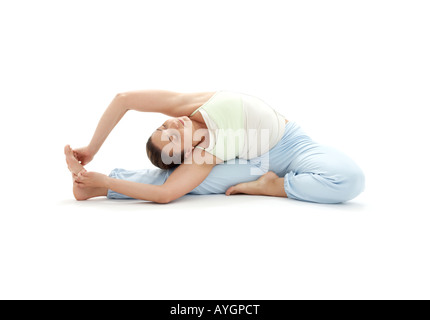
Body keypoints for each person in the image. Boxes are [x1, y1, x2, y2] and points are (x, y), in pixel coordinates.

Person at [65, 89, 365, 204]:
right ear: (189, 153)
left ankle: (272, 187)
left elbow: (124, 100)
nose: (170, 125)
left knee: (350, 179)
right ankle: (96, 188)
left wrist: (92, 148)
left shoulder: (191, 106)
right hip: (249, 165)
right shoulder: (205, 157)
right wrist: (104, 180)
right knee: (183, 185)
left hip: (290, 143)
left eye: (162, 127)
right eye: (170, 138)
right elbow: (165, 193)